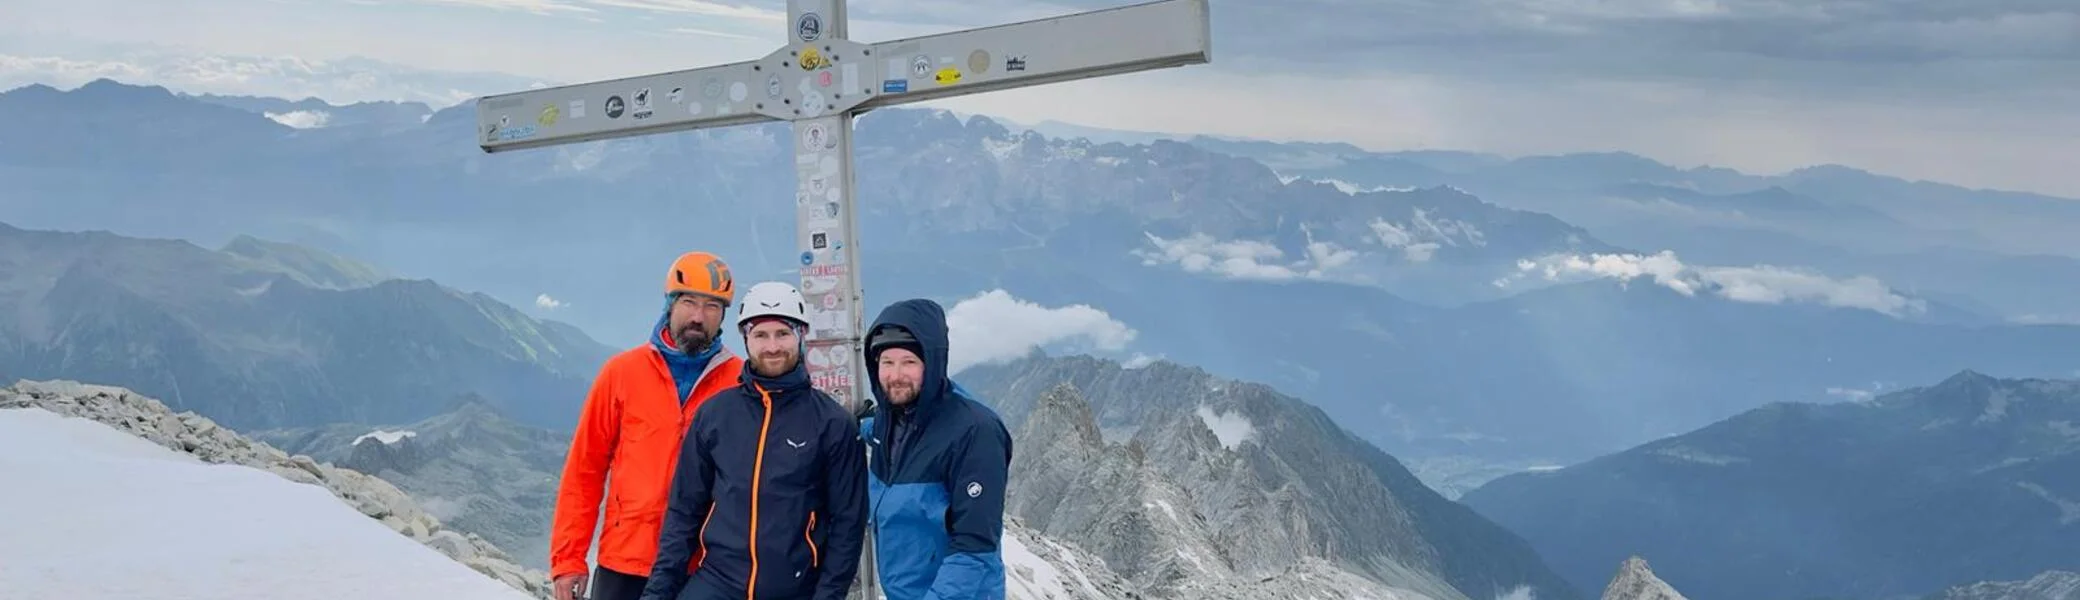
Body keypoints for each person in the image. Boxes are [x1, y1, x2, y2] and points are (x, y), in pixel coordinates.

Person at [641, 281, 869, 600]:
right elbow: (684, 511)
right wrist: (657, 594)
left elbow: (848, 525)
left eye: (782, 334)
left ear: (801, 336)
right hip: (718, 583)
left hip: (793, 588)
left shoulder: (831, 423)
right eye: (760, 335)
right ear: (746, 339)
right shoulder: (716, 415)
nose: (772, 346)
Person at [549, 251, 746, 600]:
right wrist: (568, 558)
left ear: (724, 316)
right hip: (626, 560)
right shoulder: (622, 373)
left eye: (712, 306)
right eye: (688, 302)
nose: (698, 317)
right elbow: (585, 469)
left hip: (705, 567)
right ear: (670, 304)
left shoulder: (739, 381)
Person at [858, 299, 1013, 600]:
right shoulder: (889, 422)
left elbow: (974, 547)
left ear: (933, 363)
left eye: (909, 362)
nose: (896, 375)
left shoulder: (975, 431)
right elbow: (879, 431)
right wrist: (851, 425)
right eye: (887, 363)